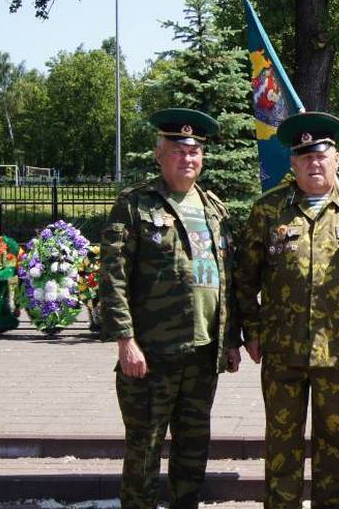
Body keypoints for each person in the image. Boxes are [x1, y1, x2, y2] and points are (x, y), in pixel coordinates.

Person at [233, 111, 339, 509]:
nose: (314, 163)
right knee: (282, 443)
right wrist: (250, 331)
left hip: (337, 349)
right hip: (282, 348)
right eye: (305, 157)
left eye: (321, 155)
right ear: (293, 162)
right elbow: (245, 276)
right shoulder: (269, 210)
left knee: (335, 443)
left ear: (336, 158)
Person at [100, 108, 241, 509]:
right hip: (152, 353)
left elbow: (227, 278)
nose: (188, 158)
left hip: (202, 351)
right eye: (178, 150)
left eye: (194, 151)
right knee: (144, 448)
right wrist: (125, 341)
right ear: (159, 154)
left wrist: (231, 340)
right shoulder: (136, 204)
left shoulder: (214, 209)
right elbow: (113, 275)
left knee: (193, 447)